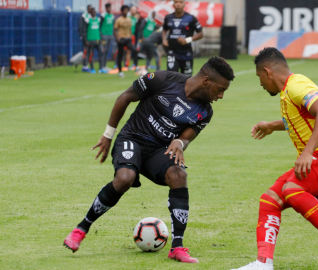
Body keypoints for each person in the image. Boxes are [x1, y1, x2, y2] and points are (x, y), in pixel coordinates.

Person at [63, 57, 235, 263]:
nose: (222, 95)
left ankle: (177, 247)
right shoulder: (162, 79)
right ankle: (81, 229)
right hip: (132, 139)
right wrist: (108, 135)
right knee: (125, 178)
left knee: (179, 174)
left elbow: (187, 136)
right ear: (206, 80)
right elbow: (125, 97)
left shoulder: (205, 111)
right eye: (220, 89)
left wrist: (180, 143)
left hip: (158, 151)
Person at [232, 47, 318, 270]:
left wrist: (307, 152)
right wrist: (271, 125)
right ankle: (263, 263)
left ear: (267, 71)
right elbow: (301, 117)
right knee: (269, 200)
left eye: (259, 77)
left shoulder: (297, 85)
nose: (260, 83)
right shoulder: (288, 92)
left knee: (292, 190)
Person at [163, 0, 203, 76]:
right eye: (176, 2)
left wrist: (187, 40)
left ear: (184, 4)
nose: (178, 4)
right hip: (172, 53)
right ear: (173, 4)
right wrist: (164, 40)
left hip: (186, 54)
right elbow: (164, 29)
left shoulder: (191, 18)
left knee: (186, 80)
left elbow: (200, 34)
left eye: (180, 2)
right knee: (171, 78)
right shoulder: (168, 17)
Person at [114, 5, 138, 78]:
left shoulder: (129, 19)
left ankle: (135, 67)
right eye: (124, 10)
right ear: (122, 11)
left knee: (135, 50)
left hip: (128, 39)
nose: (126, 11)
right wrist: (117, 38)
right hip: (121, 39)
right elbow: (115, 29)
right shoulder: (119, 20)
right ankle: (120, 72)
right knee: (120, 55)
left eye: (127, 10)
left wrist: (130, 36)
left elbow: (130, 29)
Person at [84, 7, 106, 74]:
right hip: (90, 40)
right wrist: (85, 40)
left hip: (98, 40)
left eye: (95, 12)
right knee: (91, 55)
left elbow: (99, 30)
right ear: (90, 13)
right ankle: (92, 68)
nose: (94, 13)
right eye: (92, 12)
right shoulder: (87, 20)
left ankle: (101, 68)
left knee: (101, 53)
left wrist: (101, 38)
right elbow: (85, 30)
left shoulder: (98, 19)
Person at [100, 3, 116, 71]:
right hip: (104, 35)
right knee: (103, 51)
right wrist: (101, 34)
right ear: (106, 8)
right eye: (108, 8)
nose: (109, 9)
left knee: (107, 51)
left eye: (110, 7)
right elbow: (100, 25)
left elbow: (113, 25)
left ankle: (105, 65)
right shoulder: (103, 15)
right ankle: (102, 66)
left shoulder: (112, 16)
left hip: (110, 35)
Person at [79, 4, 92, 72]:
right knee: (85, 51)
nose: (91, 10)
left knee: (89, 52)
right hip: (86, 38)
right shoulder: (84, 16)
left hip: (90, 38)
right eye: (89, 8)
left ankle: (87, 65)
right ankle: (84, 66)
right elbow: (81, 28)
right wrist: (83, 38)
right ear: (87, 9)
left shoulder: (91, 16)